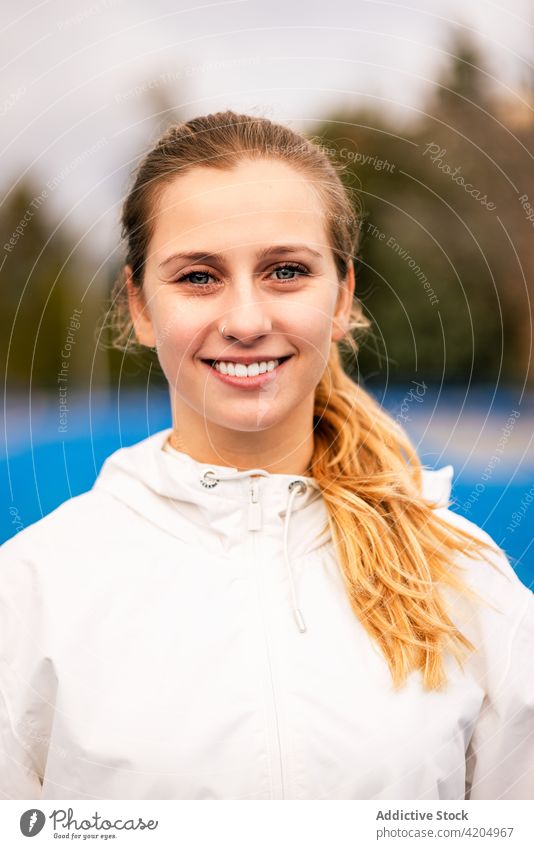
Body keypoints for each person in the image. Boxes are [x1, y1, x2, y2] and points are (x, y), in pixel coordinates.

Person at [1, 110, 533, 801]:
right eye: (198, 276)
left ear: (341, 297)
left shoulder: (466, 583)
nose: (248, 321)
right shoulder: (32, 592)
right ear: (138, 304)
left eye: (285, 270)